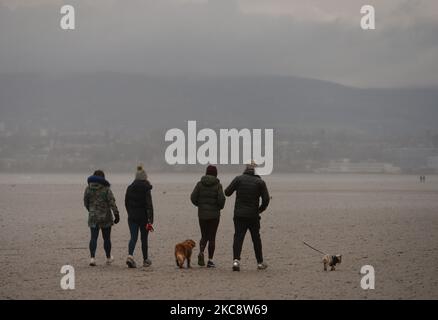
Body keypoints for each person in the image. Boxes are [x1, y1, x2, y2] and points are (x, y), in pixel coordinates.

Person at [225, 161, 270, 271]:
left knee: (238, 238)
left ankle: (236, 261)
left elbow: (227, 192)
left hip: (239, 215)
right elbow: (266, 199)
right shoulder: (260, 182)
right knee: (256, 239)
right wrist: (260, 210)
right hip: (253, 215)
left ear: (245, 169)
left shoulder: (238, 179)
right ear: (254, 170)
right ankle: (259, 262)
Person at [190, 165, 226, 268]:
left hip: (202, 215)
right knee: (212, 238)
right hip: (214, 215)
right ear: (216, 174)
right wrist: (219, 207)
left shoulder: (200, 184)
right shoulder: (218, 185)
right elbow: (221, 200)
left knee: (204, 235)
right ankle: (210, 260)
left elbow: (193, 198)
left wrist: (200, 205)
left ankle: (201, 251)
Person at [83, 170, 120, 266]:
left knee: (93, 238)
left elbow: (85, 202)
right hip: (106, 217)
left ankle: (92, 258)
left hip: (93, 216)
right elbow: (112, 202)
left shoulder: (88, 188)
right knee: (106, 238)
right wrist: (116, 214)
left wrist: (91, 210)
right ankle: (108, 258)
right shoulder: (106, 189)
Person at [125, 165, 154, 268]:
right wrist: (151, 219)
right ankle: (145, 259)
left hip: (132, 217)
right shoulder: (146, 188)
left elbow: (126, 203)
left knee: (133, 238)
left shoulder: (129, 188)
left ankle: (130, 256)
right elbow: (149, 205)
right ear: (145, 177)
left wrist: (130, 213)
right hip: (144, 217)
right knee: (144, 239)